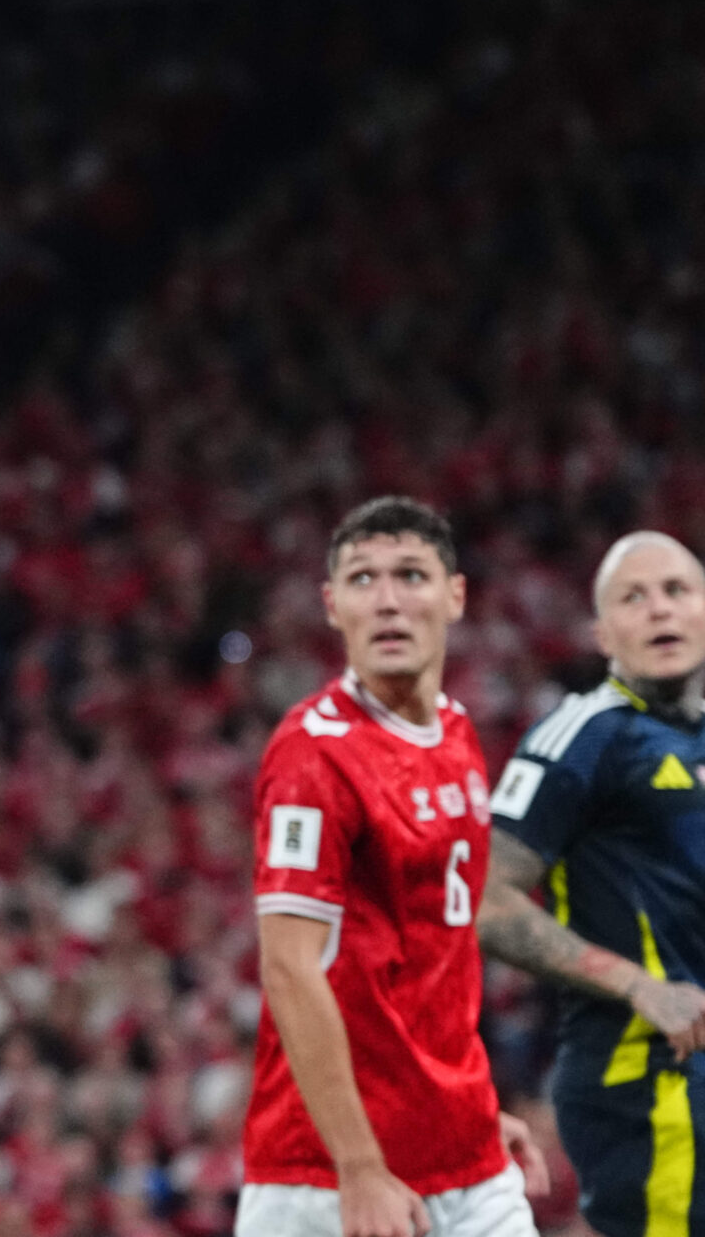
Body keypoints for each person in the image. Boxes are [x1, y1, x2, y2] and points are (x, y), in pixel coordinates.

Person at [244, 496, 548, 1237]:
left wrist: (468, 1111)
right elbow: (289, 968)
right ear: (331, 606)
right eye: (362, 579)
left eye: (410, 575)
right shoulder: (312, 755)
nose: (386, 600)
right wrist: (359, 1166)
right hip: (329, 1178)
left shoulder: (457, 732)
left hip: (464, 1158)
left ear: (456, 596)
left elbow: (436, 956)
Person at [477, 530, 705, 1237]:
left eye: (676, 591)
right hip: (646, 1080)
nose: (659, 610)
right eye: (632, 598)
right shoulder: (582, 735)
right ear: (603, 633)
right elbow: (486, 900)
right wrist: (639, 986)